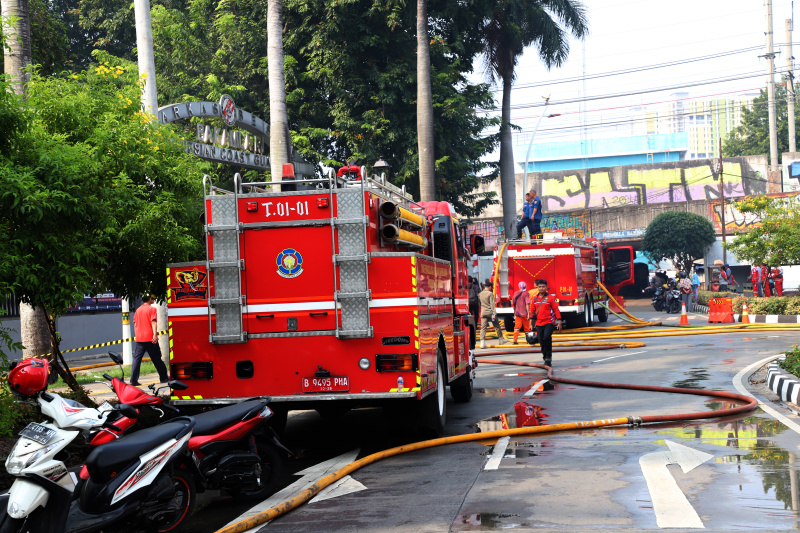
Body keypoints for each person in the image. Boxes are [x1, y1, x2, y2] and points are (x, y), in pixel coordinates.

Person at [131, 295, 170, 386]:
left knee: (137, 359)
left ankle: (133, 380)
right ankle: (164, 377)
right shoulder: (152, 309)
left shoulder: (138, 310)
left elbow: (135, 324)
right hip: (150, 339)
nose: (154, 299)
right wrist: (155, 335)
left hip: (140, 339)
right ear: (149, 299)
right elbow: (153, 322)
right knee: (156, 358)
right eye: (152, 298)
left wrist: (137, 336)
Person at [529, 279, 562, 367]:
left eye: (543, 287)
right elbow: (532, 310)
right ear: (537, 287)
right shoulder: (534, 298)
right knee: (541, 341)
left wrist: (559, 321)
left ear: (546, 287)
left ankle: (548, 357)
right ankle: (544, 355)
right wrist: (530, 323)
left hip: (549, 322)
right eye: (540, 287)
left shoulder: (550, 298)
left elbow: (556, 309)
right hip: (539, 323)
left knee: (547, 337)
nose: (541, 288)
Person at [478, 283, 508, 349]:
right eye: (491, 287)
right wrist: (494, 313)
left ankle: (482, 343)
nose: (491, 288)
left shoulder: (480, 294)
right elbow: (492, 304)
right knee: (496, 325)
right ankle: (501, 339)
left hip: (483, 313)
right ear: (489, 287)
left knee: (483, 328)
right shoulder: (490, 294)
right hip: (490, 313)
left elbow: (480, 303)